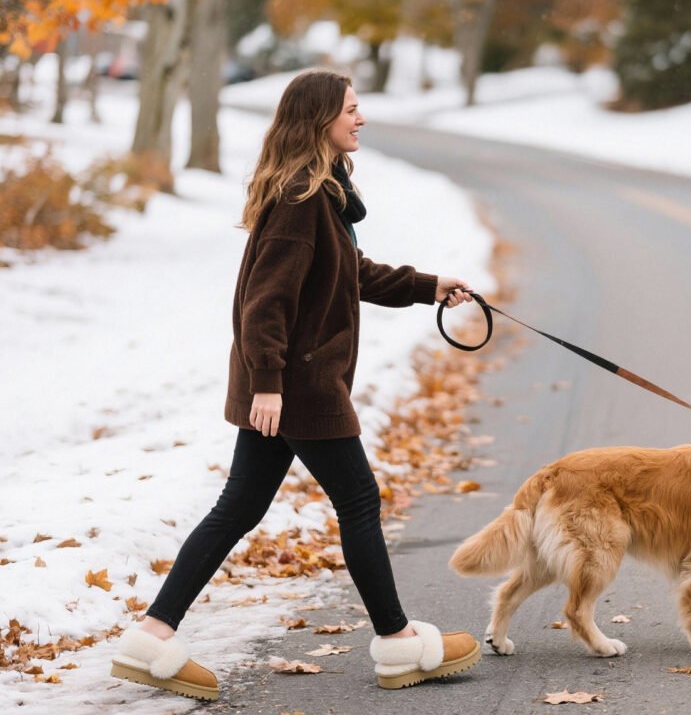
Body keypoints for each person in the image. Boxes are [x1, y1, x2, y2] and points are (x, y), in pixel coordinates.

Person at [109, 70, 482, 700]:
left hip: (292, 381)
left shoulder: (319, 193)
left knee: (240, 507)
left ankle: (152, 635)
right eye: (351, 111)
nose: (360, 120)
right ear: (319, 121)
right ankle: (396, 643)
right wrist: (270, 385)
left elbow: (349, 274)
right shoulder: (302, 200)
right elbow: (266, 304)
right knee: (359, 501)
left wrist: (428, 286)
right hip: (299, 385)